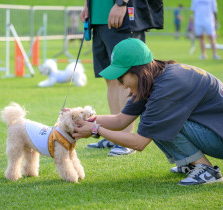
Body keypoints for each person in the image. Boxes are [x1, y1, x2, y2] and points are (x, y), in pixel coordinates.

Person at [72, 38, 223, 186]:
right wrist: (82, 118)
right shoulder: (155, 77)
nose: (121, 85)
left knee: (157, 121)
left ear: (137, 71)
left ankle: (207, 170)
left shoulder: (166, 87)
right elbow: (120, 121)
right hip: (215, 132)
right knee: (154, 120)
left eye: (121, 77)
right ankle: (191, 163)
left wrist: (95, 130)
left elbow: (139, 143)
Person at [80, 0, 163, 156]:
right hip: (98, 18)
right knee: (111, 79)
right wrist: (87, 5)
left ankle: (126, 138)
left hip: (121, 14)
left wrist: (121, 3)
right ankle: (115, 136)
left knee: (126, 77)